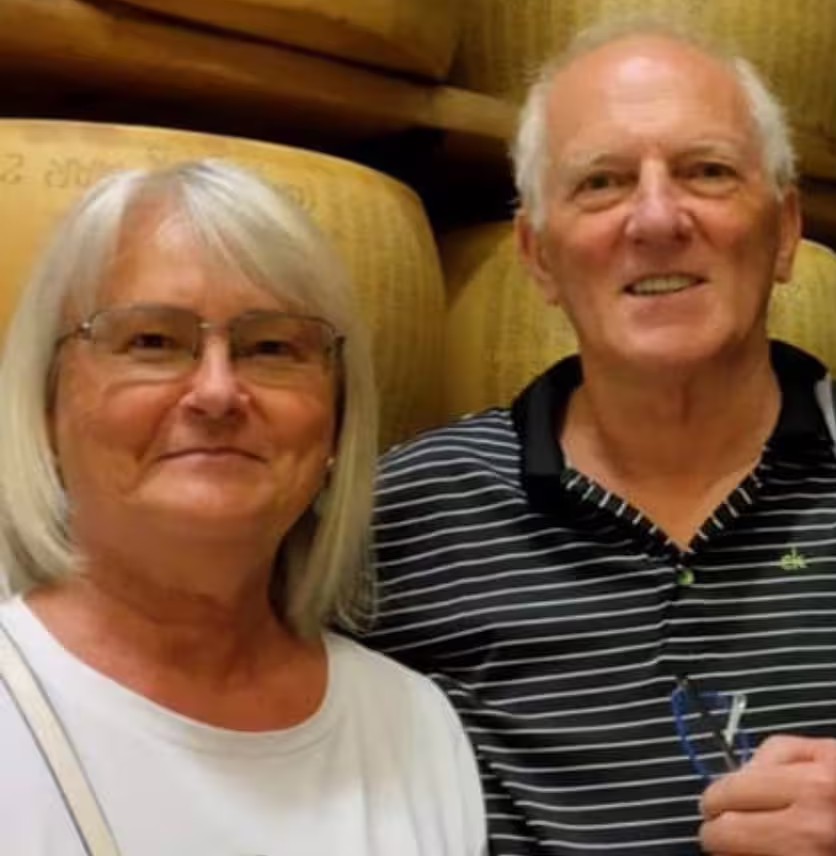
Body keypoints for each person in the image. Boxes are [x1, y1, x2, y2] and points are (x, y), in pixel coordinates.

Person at [367, 17, 836, 855]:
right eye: (601, 183)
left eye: (707, 172)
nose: (655, 218)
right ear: (537, 255)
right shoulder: (417, 511)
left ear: (785, 230)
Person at [0, 160, 485, 855]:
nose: (218, 393)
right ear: (47, 405)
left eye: (271, 347)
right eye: (153, 341)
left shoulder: (412, 727)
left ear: (336, 423)